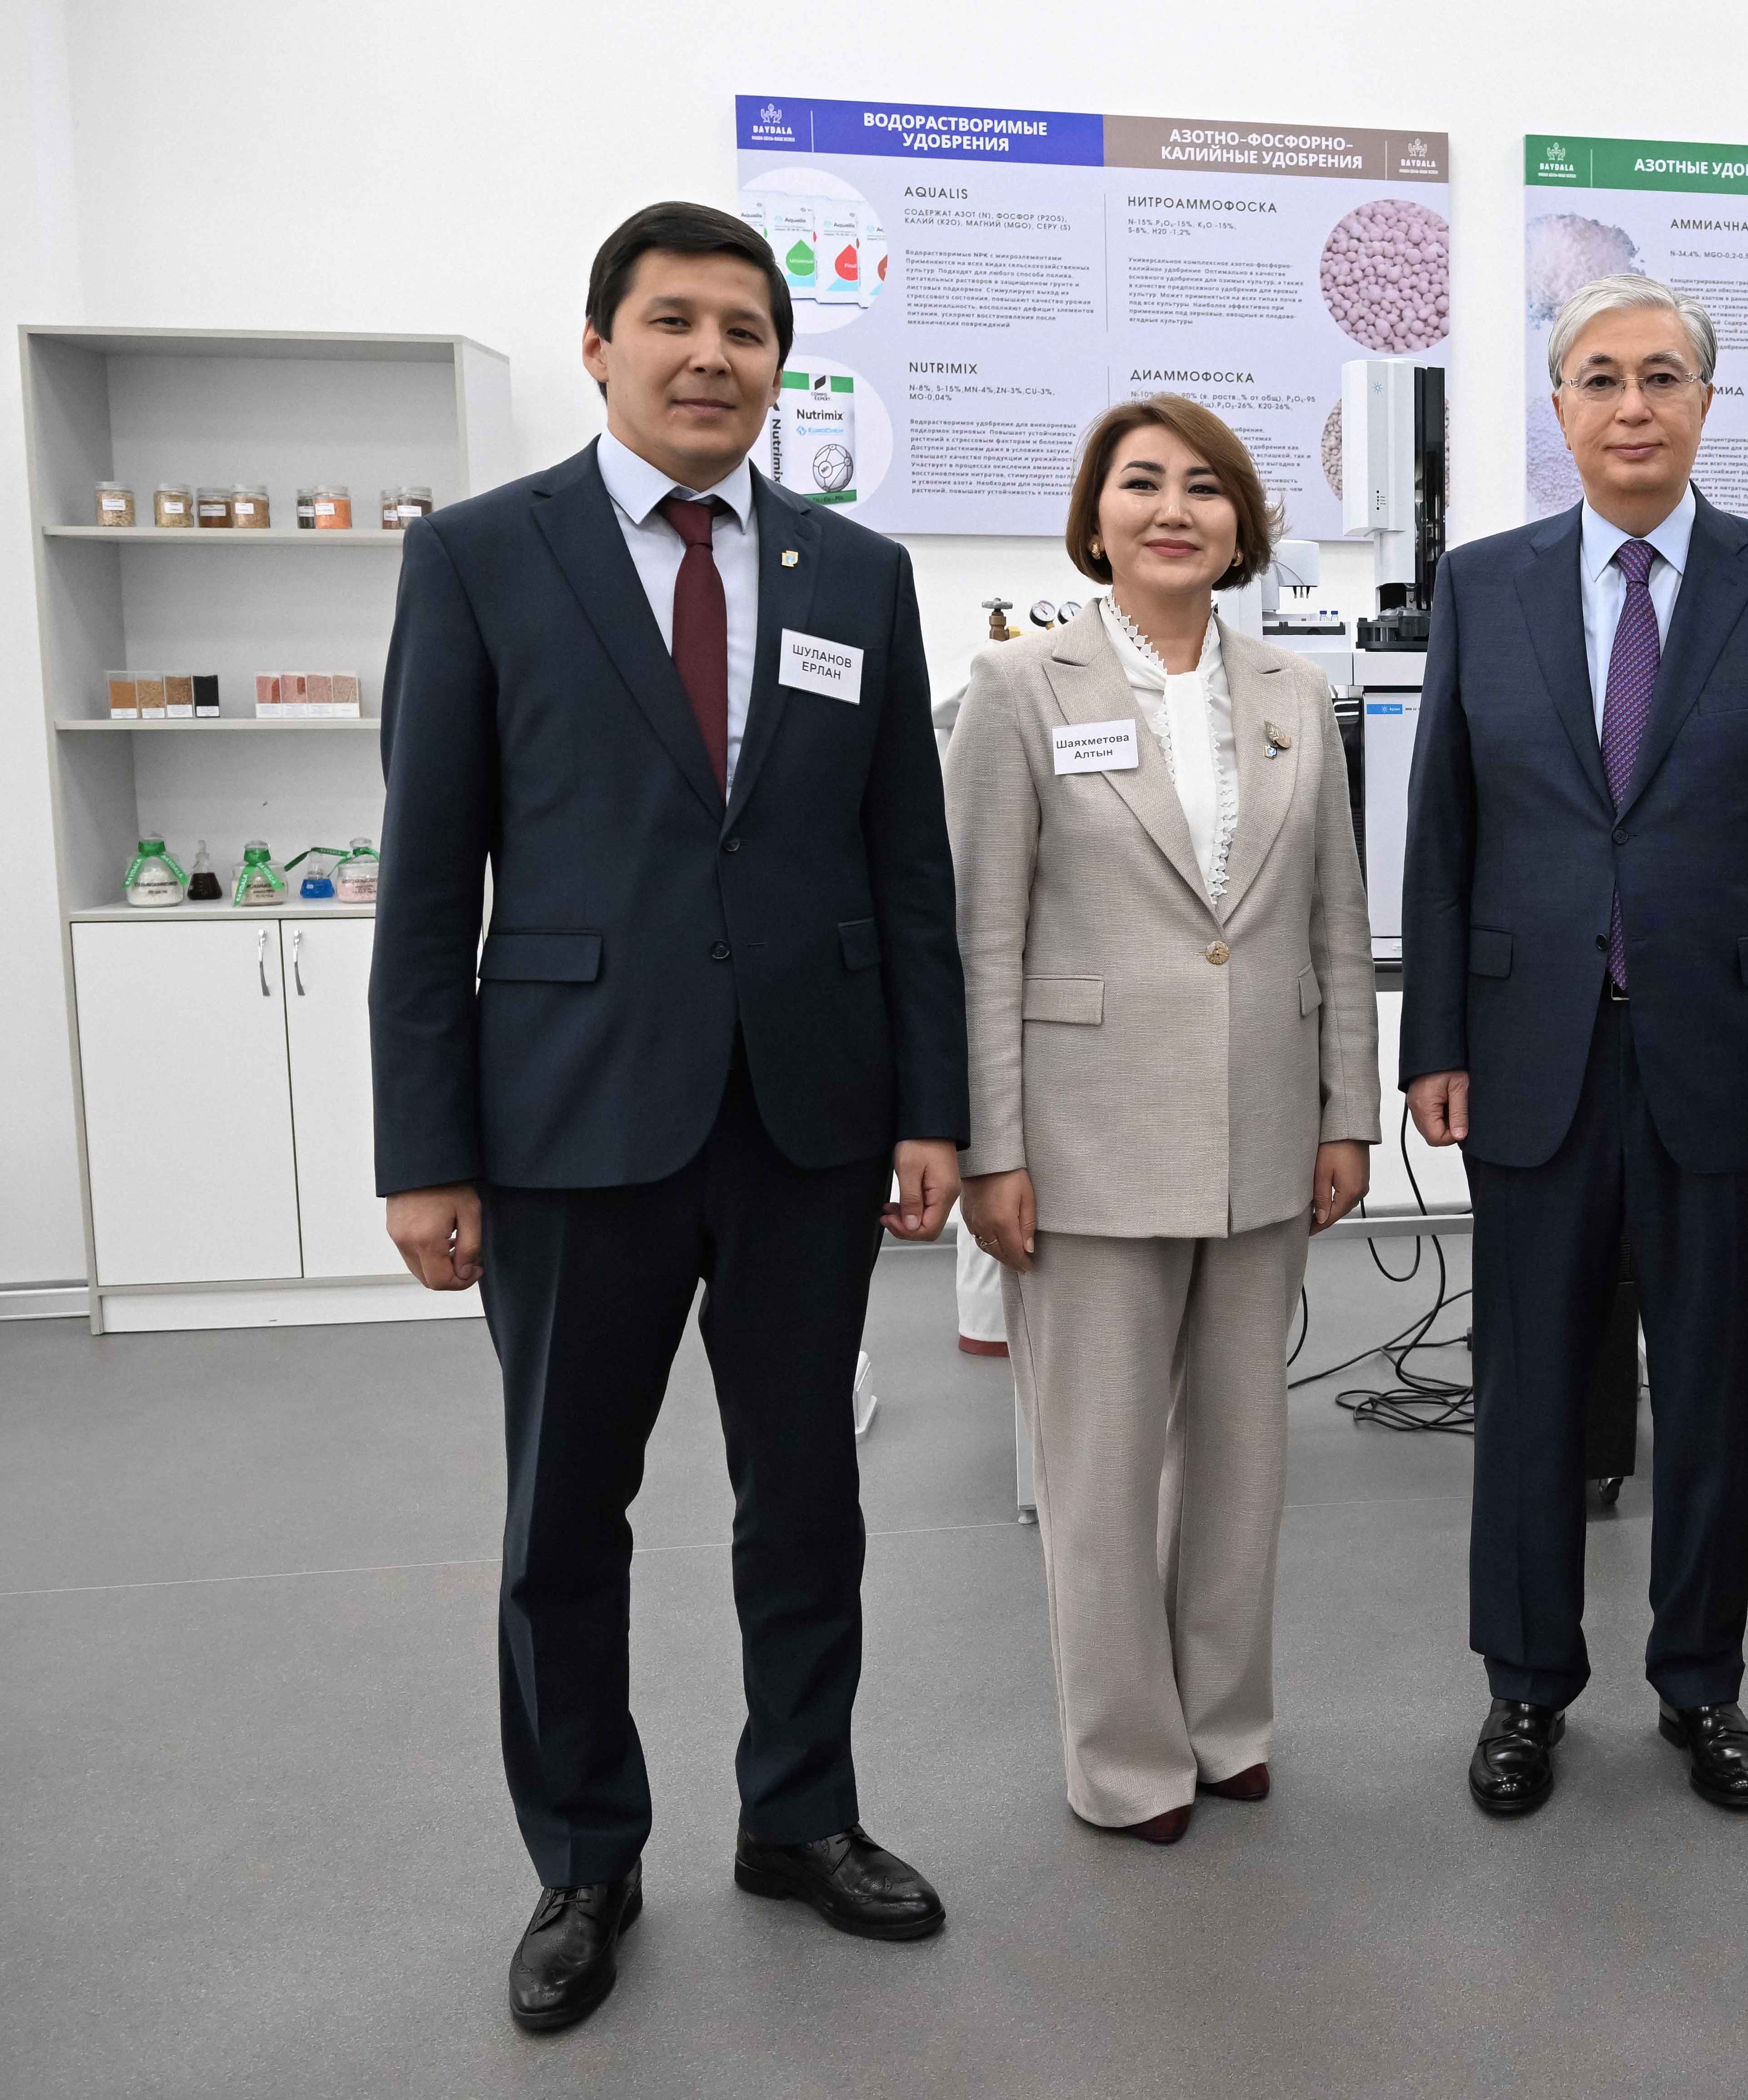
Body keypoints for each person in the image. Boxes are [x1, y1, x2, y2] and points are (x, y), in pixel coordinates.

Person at [372, 200, 966, 2033]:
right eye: (674, 321)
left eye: (747, 330)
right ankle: (583, 1858)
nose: (712, 355)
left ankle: (800, 1815)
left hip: (806, 1119)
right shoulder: (483, 555)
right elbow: (428, 875)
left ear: (783, 363)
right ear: (599, 345)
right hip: (569, 1119)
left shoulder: (854, 573)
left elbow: (907, 867)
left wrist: (931, 1107)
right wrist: (424, 1148)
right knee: (565, 1512)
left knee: (809, 1498)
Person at [1402, 275, 1748, 1817]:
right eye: (1599, 378)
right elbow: (1444, 826)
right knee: (1528, 1389)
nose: (1631, 405)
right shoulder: (1483, 585)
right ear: (1558, 409)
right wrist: (1434, 1034)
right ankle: (1524, 1685)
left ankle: (1701, 1682)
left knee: (1715, 1391)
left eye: (1662, 376)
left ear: (1705, 403)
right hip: (1531, 1049)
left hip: (1729, 1054)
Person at [949, 396, 1379, 1846]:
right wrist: (992, 1148)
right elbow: (980, 937)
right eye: (1141, 484)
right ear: (1096, 517)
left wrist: (1347, 1111)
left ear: (1242, 524)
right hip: (1083, 1138)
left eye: (1205, 487)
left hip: (1263, 1130)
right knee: (1100, 1476)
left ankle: (1225, 1723)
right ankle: (1127, 1757)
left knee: (1244, 1463)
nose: (1173, 509)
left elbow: (1333, 920)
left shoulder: (1289, 689)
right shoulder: (1019, 687)